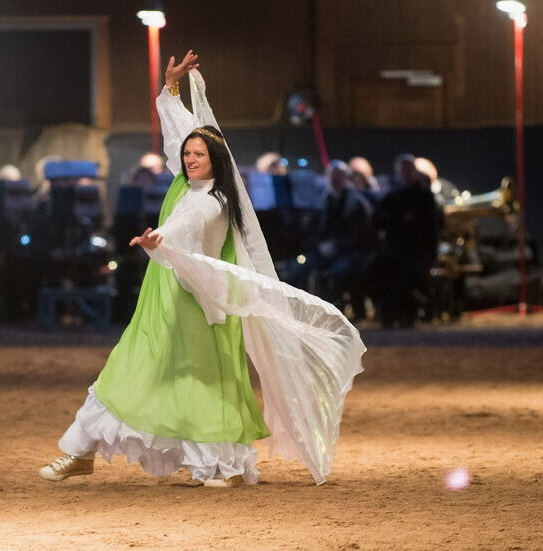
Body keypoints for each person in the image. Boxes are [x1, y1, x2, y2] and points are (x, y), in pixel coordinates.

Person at [39, 51, 365, 487]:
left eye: (199, 154)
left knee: (198, 382)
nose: (191, 158)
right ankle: (84, 450)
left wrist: (157, 240)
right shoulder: (184, 182)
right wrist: (172, 90)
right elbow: (179, 134)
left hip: (195, 304)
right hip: (168, 301)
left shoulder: (211, 203)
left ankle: (221, 465)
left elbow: (180, 229)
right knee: (142, 373)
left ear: (216, 161)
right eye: (188, 153)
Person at [286, 161, 375, 317]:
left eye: (339, 175)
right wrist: (319, 246)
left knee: (339, 271)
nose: (335, 179)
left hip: (349, 251)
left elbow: (360, 234)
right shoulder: (321, 201)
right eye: (333, 175)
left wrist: (337, 245)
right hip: (323, 250)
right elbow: (311, 231)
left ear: (346, 177)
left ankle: (335, 314)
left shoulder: (357, 203)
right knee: (298, 269)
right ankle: (299, 313)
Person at [371, 154, 442, 328]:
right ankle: (387, 315)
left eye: (408, 171)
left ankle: (401, 316)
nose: (405, 175)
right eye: (402, 172)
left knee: (405, 276)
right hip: (396, 250)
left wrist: (397, 222)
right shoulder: (393, 196)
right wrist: (401, 220)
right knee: (372, 271)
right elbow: (377, 219)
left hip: (419, 252)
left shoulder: (425, 197)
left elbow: (427, 228)